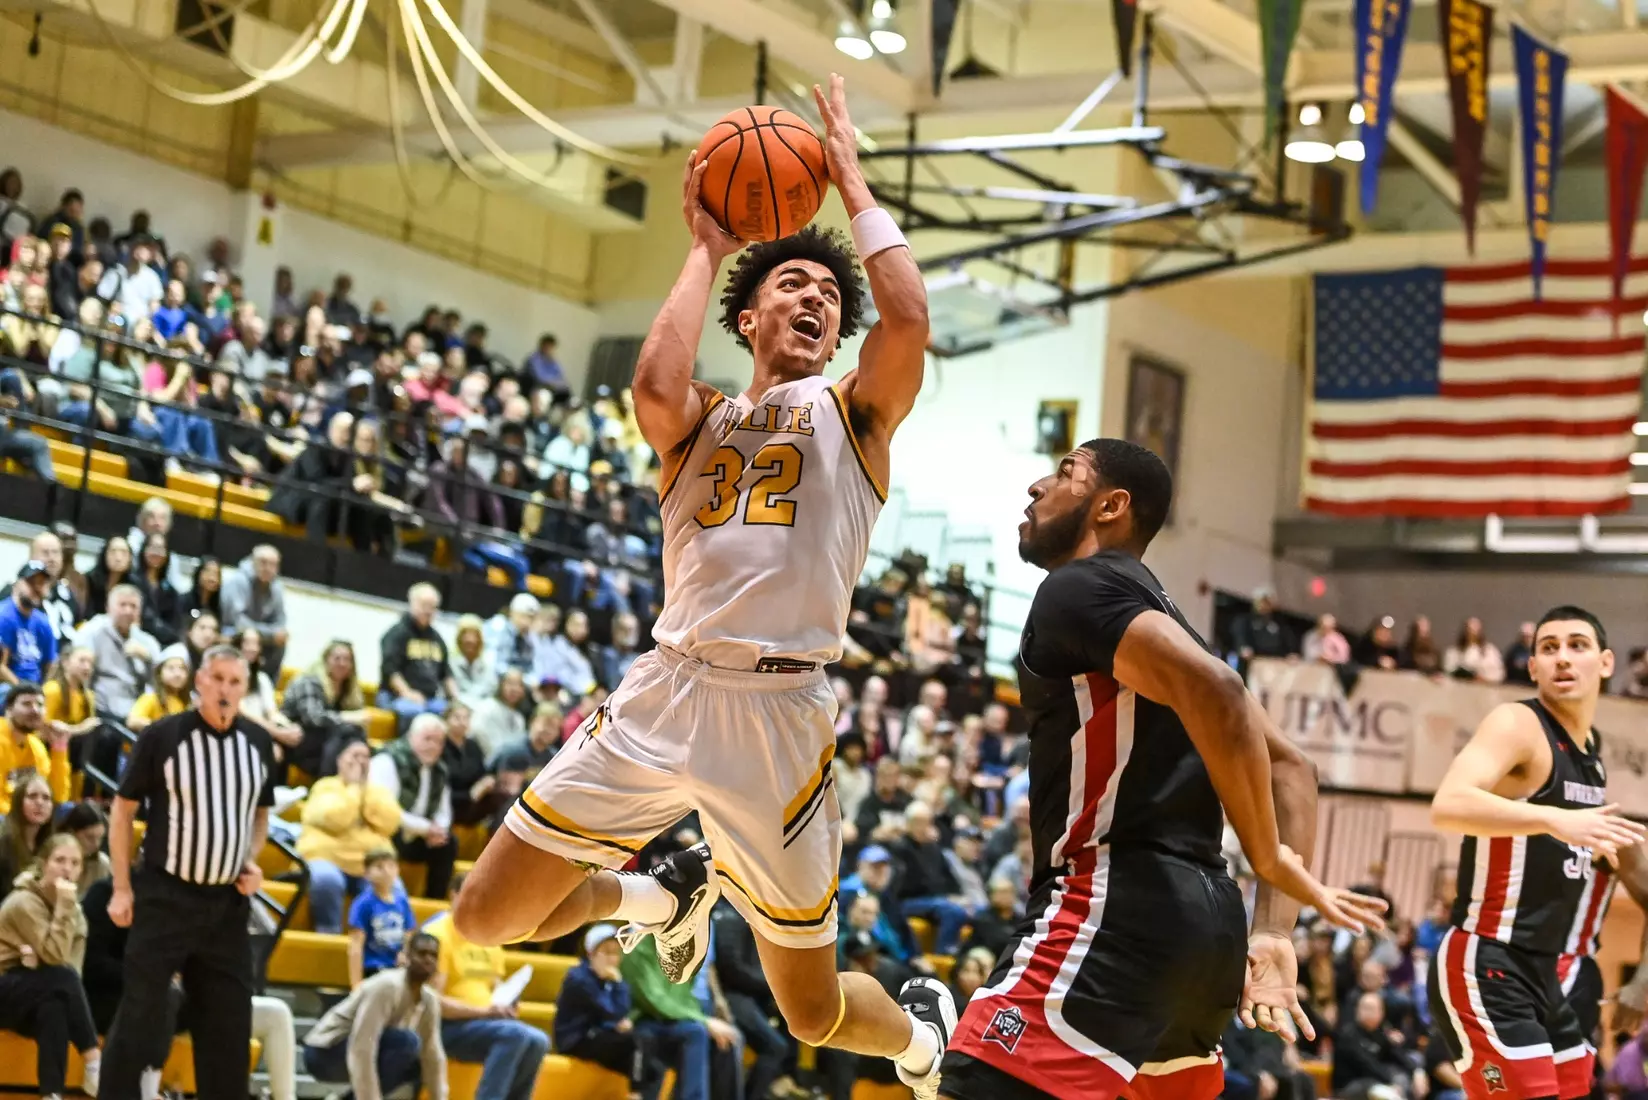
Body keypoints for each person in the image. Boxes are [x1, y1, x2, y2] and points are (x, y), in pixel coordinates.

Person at [455, 73, 950, 1099]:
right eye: (792, 286)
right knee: (486, 919)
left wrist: (849, 179)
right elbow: (651, 387)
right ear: (750, 316)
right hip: (663, 689)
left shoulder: (854, 416)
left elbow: (904, 315)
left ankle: (918, 1039)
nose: (814, 297)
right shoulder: (701, 423)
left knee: (808, 1011)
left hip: (779, 712)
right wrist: (705, 245)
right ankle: (658, 893)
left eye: (826, 291)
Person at [940, 440, 1385, 1100]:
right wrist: (1273, 931)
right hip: (1206, 935)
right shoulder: (1170, 623)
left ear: (1110, 507)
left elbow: (1223, 695)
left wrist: (1266, 855)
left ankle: (924, 1045)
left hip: (1112, 905)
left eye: (1065, 474)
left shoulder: (1077, 587)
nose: (1037, 486)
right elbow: (1292, 768)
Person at [1428, 605, 1645, 1100]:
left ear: (1606, 663)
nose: (1562, 658)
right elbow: (1449, 804)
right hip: (1488, 957)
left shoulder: (1590, 752)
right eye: (1549, 649)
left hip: (1546, 971)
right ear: (1532, 668)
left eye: (1577, 646)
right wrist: (1554, 818)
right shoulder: (1518, 723)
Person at [100, 644, 277, 1100]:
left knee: (229, 1029)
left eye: (235, 682)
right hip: (165, 896)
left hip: (226, 907)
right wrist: (122, 887)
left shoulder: (258, 744)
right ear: (199, 680)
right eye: (217, 679)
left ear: (245, 689)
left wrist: (250, 859)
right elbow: (122, 812)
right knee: (139, 1018)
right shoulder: (164, 735)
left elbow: (260, 815)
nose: (225, 689)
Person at [425, 877, 549, 1100]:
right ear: (454, 896)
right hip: (446, 1026)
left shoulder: (488, 937)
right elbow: (433, 1002)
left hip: (484, 1023)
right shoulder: (437, 935)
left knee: (539, 1041)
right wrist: (484, 1012)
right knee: (515, 1035)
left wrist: (508, 1003)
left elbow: (495, 986)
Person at [0, 832, 102, 1100]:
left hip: (35, 992)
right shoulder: (23, 902)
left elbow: (72, 973)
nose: (67, 869)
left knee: (55, 1006)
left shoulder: (75, 914)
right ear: (43, 864)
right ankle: (93, 1059)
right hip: (4, 987)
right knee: (59, 978)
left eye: (75, 863)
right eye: (59, 860)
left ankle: (52, 1095)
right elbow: (58, 959)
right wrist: (65, 907)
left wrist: (40, 964)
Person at [302, 931, 448, 1100]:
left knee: (417, 1063)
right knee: (407, 1043)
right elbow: (362, 1047)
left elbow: (433, 1056)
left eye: (433, 955)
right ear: (406, 957)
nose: (428, 960)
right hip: (323, 1052)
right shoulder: (387, 986)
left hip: (355, 1049)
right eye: (422, 953)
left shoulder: (429, 1000)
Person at [298, 738, 404, 934]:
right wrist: (354, 790)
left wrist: (363, 791)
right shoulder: (325, 786)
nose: (360, 762)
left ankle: (379, 945)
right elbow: (335, 819)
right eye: (354, 756)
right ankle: (329, 934)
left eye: (365, 757)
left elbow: (390, 823)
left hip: (369, 863)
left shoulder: (377, 791)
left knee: (393, 884)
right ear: (339, 760)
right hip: (326, 859)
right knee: (327, 879)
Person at [555, 922, 664, 1100]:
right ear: (591, 953)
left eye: (616, 953)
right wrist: (618, 984)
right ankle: (634, 1094)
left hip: (601, 1036)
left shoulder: (609, 979)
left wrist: (617, 988)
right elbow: (613, 1011)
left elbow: (619, 1011)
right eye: (606, 952)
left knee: (654, 1070)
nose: (612, 959)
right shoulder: (578, 978)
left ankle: (638, 1094)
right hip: (577, 1039)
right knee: (639, 1040)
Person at [369, 714, 456, 900]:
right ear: (411, 737)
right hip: (392, 832)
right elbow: (386, 810)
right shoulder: (387, 760)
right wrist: (426, 828)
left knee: (448, 843)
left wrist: (438, 830)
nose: (433, 746)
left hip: (423, 836)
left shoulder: (439, 770)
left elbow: (444, 811)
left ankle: (435, 901)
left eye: (439, 742)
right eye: (427, 739)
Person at [280, 640, 371, 781]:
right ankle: (328, 785)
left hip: (326, 745)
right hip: (296, 740)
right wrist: (347, 717)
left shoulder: (348, 691)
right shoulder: (309, 681)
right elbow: (313, 718)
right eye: (337, 658)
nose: (342, 663)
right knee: (345, 733)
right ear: (325, 660)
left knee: (353, 736)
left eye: (347, 659)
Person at [379, 583, 459, 727]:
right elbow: (390, 670)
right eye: (424, 605)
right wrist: (408, 693)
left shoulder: (437, 639)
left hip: (429, 699)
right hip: (396, 697)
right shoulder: (396, 634)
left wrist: (457, 701)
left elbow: (446, 673)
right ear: (412, 604)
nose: (428, 611)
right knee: (415, 713)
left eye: (433, 607)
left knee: (452, 714)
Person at [75, 584, 158, 722]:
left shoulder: (147, 641)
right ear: (108, 608)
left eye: (133, 606)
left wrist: (148, 658)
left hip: (136, 710)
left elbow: (161, 679)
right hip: (101, 709)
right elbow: (79, 669)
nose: (128, 611)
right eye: (122, 605)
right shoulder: (92, 631)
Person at [348, 848, 417, 987]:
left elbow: (409, 932)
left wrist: (405, 952)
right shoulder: (363, 904)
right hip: (374, 969)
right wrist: (356, 985)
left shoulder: (402, 901)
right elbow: (355, 946)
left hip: (398, 968)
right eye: (379, 867)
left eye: (391, 866)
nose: (386, 871)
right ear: (366, 873)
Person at [0, 684, 69, 815]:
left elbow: (58, 796)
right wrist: (23, 818)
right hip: (7, 817)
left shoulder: (36, 747)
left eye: (40, 704)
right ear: (9, 709)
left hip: (24, 815)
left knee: (67, 810)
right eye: (27, 704)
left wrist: (59, 747)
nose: (35, 710)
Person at [221, 546, 289, 675]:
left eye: (273, 564)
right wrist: (270, 634)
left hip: (260, 636)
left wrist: (277, 634)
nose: (268, 568)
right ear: (252, 562)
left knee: (281, 641)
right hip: (234, 632)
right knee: (242, 637)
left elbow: (280, 622)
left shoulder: (277, 587)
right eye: (263, 562)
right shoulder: (238, 581)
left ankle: (266, 684)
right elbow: (238, 622)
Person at [0, 563, 58, 698]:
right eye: (31, 583)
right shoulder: (4, 616)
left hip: (35, 687)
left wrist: (42, 692)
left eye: (42, 583)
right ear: (17, 584)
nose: (37, 588)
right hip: (9, 685)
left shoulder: (43, 621)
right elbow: (1, 667)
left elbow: (50, 664)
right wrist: (25, 692)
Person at [0, 774, 56, 903]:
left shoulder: (51, 845)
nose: (40, 803)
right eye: (32, 796)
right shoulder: (3, 842)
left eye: (46, 798)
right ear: (18, 802)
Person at [28, 530, 81, 657]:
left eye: (56, 553)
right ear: (31, 557)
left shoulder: (68, 594)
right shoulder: (19, 593)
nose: (51, 559)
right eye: (45, 553)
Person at [124, 645, 192, 732]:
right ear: (159, 673)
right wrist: (161, 727)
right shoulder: (151, 698)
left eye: (183, 669)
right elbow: (132, 721)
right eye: (171, 668)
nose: (177, 674)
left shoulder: (187, 703)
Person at [83, 536, 135, 620]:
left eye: (124, 553)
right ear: (104, 555)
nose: (118, 558)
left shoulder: (134, 585)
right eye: (113, 552)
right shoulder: (88, 580)